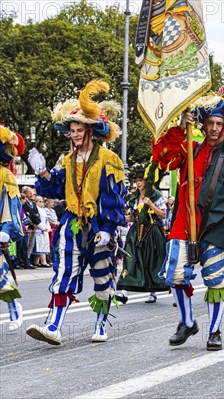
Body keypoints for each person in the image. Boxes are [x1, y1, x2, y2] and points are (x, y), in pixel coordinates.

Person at [152, 82, 224, 351]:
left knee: (214, 280)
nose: (214, 128)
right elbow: (162, 159)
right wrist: (179, 126)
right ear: (203, 125)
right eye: (210, 123)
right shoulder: (191, 148)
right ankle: (187, 322)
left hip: (216, 225)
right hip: (183, 222)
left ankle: (214, 331)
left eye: (219, 124)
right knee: (174, 274)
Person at [25, 80, 126, 345]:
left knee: (103, 277)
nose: (75, 134)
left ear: (91, 130)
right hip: (72, 222)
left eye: (80, 129)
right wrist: (42, 172)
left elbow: (114, 198)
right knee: (64, 271)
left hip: (99, 225)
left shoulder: (109, 160)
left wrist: (107, 229)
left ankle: (101, 324)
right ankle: (54, 326)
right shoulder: (67, 160)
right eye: (72, 130)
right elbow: (54, 188)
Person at [116, 167, 168, 304]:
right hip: (135, 232)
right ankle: (124, 291)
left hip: (151, 232)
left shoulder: (155, 195)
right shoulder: (134, 197)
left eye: (141, 181)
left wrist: (151, 204)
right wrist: (120, 218)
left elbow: (163, 214)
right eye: (136, 181)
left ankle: (152, 291)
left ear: (147, 181)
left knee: (151, 260)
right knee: (130, 258)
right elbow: (132, 217)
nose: (138, 183)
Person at [0, 123, 26, 331]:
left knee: (1, 280)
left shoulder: (5, 176)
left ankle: (14, 308)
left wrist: (5, 231)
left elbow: (12, 208)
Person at [31, 195, 51, 267]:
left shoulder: (43, 209)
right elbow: (37, 220)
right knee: (40, 246)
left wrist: (48, 227)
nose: (42, 203)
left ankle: (36, 262)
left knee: (43, 246)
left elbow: (46, 219)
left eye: (42, 201)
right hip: (39, 229)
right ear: (36, 202)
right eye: (40, 201)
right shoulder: (36, 209)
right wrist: (42, 227)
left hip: (44, 229)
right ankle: (43, 262)